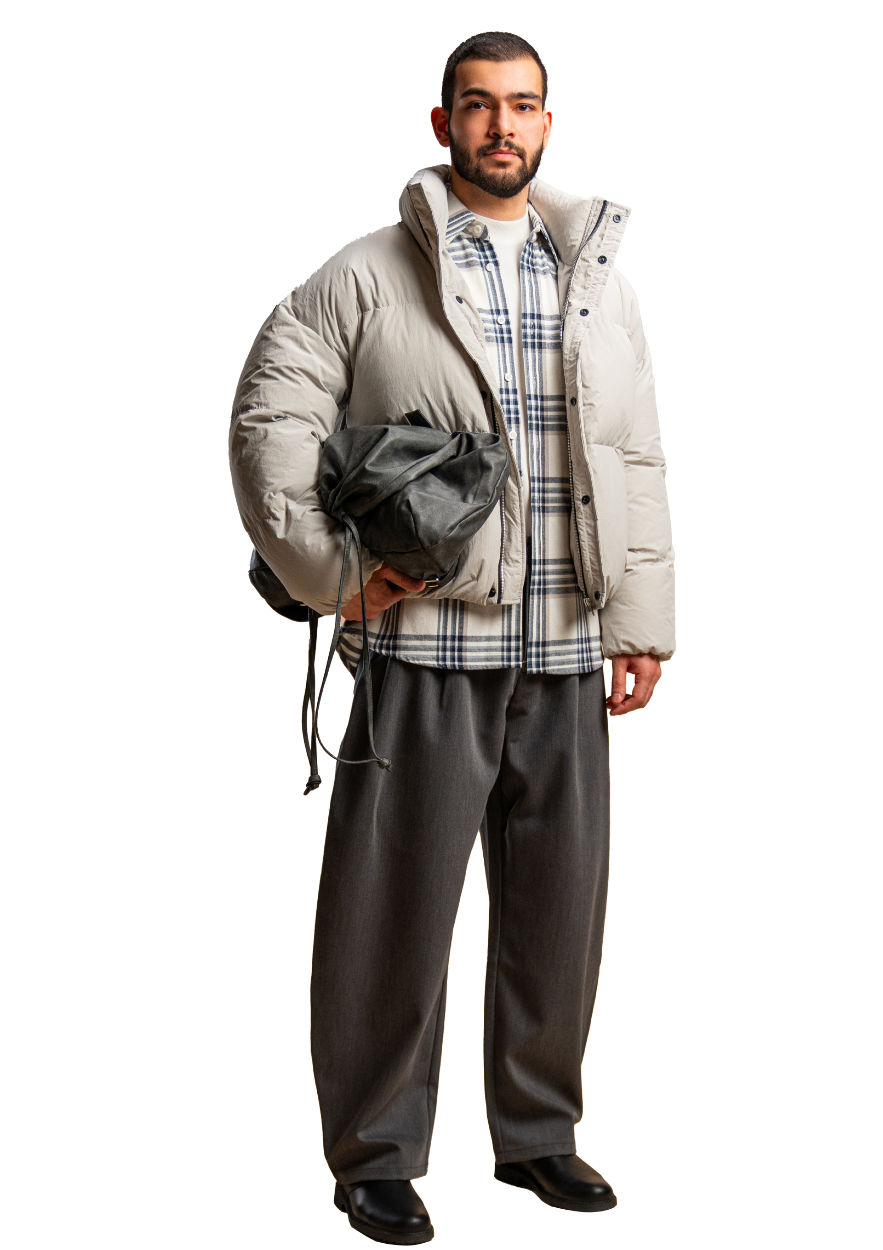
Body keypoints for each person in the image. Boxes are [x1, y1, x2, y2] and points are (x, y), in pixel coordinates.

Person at [229, 30, 675, 1245]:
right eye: (477, 105)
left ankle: (539, 1135)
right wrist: (332, 576)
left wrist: (640, 622)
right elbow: (271, 416)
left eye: (521, 106)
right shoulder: (367, 271)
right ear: (442, 125)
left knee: (559, 913)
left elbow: (634, 456)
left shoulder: (603, 281)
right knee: (392, 916)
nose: (500, 127)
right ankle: (376, 1152)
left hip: (569, 644)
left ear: (547, 123)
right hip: (426, 645)